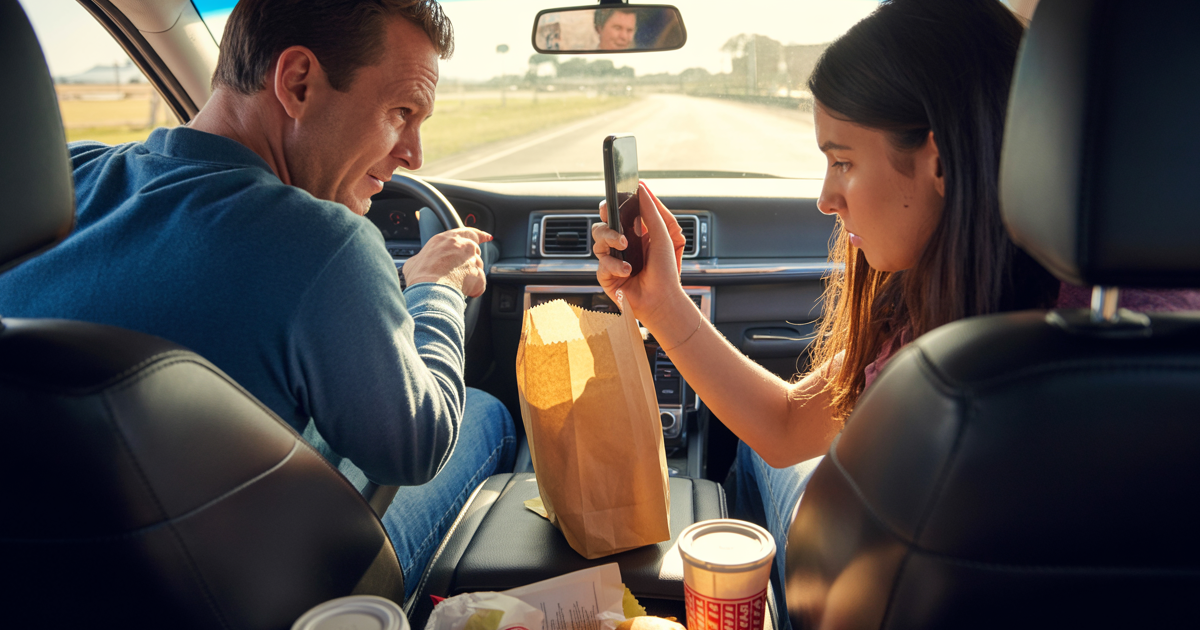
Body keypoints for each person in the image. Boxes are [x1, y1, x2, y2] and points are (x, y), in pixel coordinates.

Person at [590, 0, 1200, 622]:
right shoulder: (1172, 333)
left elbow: (780, 432)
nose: (826, 198)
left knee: (748, 455)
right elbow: (787, 424)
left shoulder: (932, 370)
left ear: (939, 160)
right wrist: (661, 301)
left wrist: (662, 305)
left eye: (843, 161)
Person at [0, 0, 514, 597]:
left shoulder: (60, 189)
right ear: (298, 83)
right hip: (258, 594)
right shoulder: (323, 242)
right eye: (402, 112)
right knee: (483, 413)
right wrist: (436, 290)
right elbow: (414, 450)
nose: (413, 155)